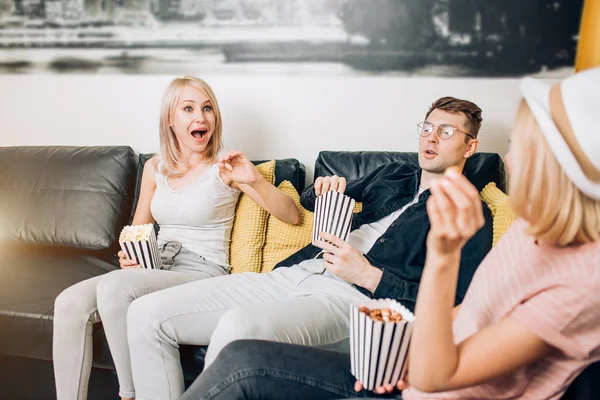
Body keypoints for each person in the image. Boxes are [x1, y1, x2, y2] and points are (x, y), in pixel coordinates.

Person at [179, 68, 600, 400]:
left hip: (402, 359)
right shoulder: (527, 229)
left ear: (556, 163)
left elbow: (444, 350)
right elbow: (470, 313)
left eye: (520, 144)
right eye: (428, 127)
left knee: (243, 356)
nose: (507, 157)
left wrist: (439, 255)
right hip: (384, 345)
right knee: (237, 352)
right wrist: (394, 347)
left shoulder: (486, 225)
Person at [125, 97, 494, 400]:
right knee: (145, 313)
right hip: (298, 271)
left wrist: (370, 275)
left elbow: (455, 306)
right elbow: (311, 203)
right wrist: (323, 188)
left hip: (355, 300)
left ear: (470, 145)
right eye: (427, 128)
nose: (431, 138)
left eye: (446, 132)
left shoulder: (471, 213)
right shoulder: (393, 174)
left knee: (239, 326)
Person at [52, 76, 300, 400]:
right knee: (67, 303)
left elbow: (291, 215)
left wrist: (253, 177)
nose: (201, 117)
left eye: (207, 108)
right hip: (156, 264)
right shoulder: (155, 167)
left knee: (113, 287)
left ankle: (129, 394)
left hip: (201, 270)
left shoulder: (225, 166)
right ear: (171, 119)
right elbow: (138, 228)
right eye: (189, 108)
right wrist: (128, 253)